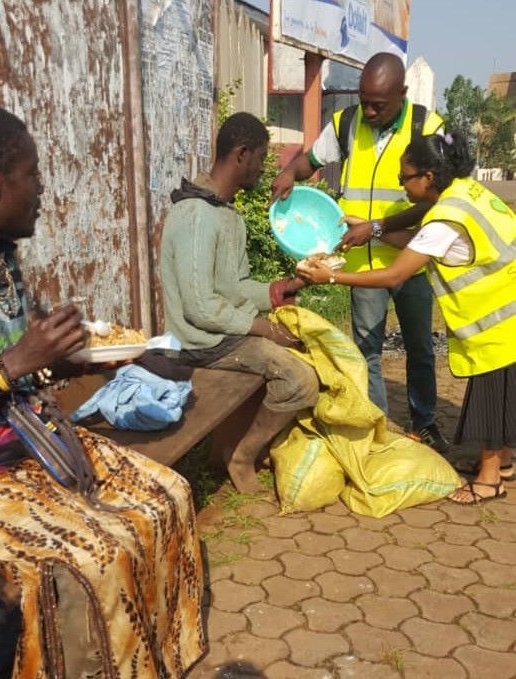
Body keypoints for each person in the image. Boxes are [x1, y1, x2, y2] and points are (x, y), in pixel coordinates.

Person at [0, 100, 205, 678]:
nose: (42, 189)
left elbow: (22, 364)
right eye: (33, 175)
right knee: (92, 556)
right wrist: (13, 366)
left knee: (166, 495)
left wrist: (68, 359)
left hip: (29, 440)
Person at [296, 131, 516, 505]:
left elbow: (395, 274)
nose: (403, 186)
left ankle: (490, 478)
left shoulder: (445, 219)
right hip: (509, 306)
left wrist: (329, 276)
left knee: (491, 396)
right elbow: (418, 240)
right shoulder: (465, 192)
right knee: (506, 390)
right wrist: (371, 229)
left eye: (405, 178)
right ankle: (504, 462)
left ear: (428, 177)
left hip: (496, 319)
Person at [271, 52, 449, 454]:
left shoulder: (427, 128)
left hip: (410, 260)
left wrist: (380, 227)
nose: (368, 110)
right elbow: (310, 162)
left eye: (378, 104)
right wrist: (288, 172)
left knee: (420, 349)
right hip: (362, 266)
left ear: (401, 93)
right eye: (364, 99)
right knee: (366, 350)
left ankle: (425, 423)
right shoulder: (347, 123)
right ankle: (378, 426)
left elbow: (439, 197)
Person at [160, 112, 320, 494]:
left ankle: (229, 449)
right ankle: (243, 455)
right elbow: (200, 307)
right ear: (242, 154)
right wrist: (264, 328)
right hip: (200, 346)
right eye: (261, 160)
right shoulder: (196, 215)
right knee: (301, 380)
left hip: (222, 337)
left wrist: (272, 291)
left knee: (305, 351)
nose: (262, 170)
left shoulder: (226, 214)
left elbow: (234, 287)